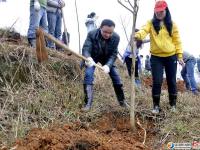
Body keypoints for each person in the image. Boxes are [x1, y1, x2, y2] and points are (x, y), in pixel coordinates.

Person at [135, 0, 183, 114]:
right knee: (157, 81)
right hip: (156, 58)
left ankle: (173, 105)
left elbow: (177, 41)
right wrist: (137, 35)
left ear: (166, 10)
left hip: (171, 57)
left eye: (161, 11)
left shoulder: (172, 24)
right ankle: (156, 106)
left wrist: (179, 56)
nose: (159, 14)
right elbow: (143, 30)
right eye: (157, 12)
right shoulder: (150, 23)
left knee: (171, 81)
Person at [81, 19, 129, 111]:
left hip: (106, 58)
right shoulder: (92, 34)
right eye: (105, 32)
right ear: (100, 28)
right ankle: (87, 104)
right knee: (88, 75)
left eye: (110, 32)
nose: (107, 34)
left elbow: (114, 54)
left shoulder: (116, 37)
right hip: (93, 57)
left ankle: (122, 102)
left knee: (116, 77)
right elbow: (86, 48)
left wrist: (108, 65)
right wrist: (88, 58)